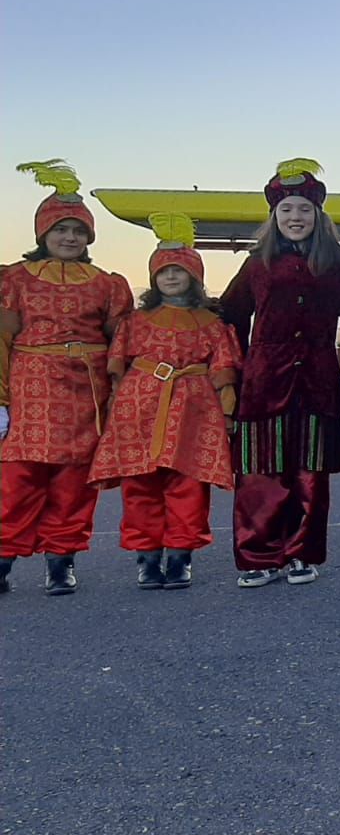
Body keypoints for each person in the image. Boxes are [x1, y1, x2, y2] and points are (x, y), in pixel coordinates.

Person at [0, 161, 133, 596]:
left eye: (79, 230)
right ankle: (2, 560)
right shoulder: (14, 280)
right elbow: (2, 339)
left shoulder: (107, 284)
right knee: (18, 481)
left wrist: (120, 399)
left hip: (86, 393)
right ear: (43, 234)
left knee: (74, 484)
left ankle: (62, 561)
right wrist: (1, 398)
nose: (70, 237)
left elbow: (122, 344)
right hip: (30, 388)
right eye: (61, 229)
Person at [89, 212, 242, 590]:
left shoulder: (213, 324)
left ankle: (180, 556)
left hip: (194, 409)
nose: (171, 277)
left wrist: (226, 414)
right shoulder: (135, 322)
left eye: (180, 271)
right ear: (154, 278)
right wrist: (114, 410)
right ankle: (147, 557)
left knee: (188, 485)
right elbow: (116, 368)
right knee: (140, 485)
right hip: (139, 407)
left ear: (196, 277)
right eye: (163, 271)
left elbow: (223, 370)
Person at [221, 159, 340, 588]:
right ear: (275, 217)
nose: (296, 218)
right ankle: (259, 556)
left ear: (319, 216)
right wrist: (233, 375)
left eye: (305, 211)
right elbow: (231, 317)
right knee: (260, 472)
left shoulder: (337, 264)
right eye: (287, 211)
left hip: (318, 377)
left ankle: (300, 553)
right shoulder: (257, 264)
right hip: (264, 380)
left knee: (310, 473)